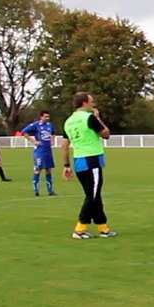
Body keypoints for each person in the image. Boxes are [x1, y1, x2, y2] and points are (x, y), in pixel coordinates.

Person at [62, 92, 115, 239]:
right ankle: (80, 228)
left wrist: (66, 165)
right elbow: (106, 134)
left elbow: (64, 145)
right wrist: (98, 117)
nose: (93, 103)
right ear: (84, 103)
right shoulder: (89, 118)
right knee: (92, 195)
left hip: (79, 161)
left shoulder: (68, 121)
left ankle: (103, 227)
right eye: (91, 101)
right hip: (92, 160)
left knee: (94, 195)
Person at [20, 111, 57, 196]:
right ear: (41, 117)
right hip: (40, 151)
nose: (47, 118)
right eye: (45, 117)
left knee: (48, 169)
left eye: (48, 117)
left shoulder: (50, 125)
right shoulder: (36, 125)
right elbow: (24, 132)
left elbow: (53, 133)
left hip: (48, 150)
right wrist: (33, 141)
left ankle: (50, 191)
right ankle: (36, 190)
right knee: (38, 169)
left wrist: (52, 140)